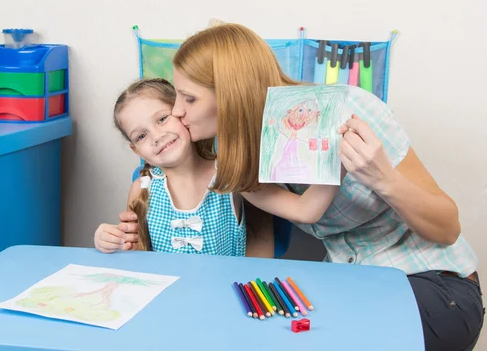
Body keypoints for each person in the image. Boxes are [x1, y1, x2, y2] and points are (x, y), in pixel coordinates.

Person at [119, 23, 483, 350]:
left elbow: (448, 229)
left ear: (229, 93)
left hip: (432, 283)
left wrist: (382, 178)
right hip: (354, 282)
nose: (178, 111)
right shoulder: (239, 161)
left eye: (189, 98)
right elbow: (308, 210)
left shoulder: (347, 109)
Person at [95, 77, 341, 257]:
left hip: (224, 300)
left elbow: (265, 242)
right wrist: (108, 240)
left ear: (182, 113)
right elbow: (135, 255)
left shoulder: (231, 175)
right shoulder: (141, 189)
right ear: (136, 151)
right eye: (141, 136)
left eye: (162, 119)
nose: (156, 136)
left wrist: (338, 159)